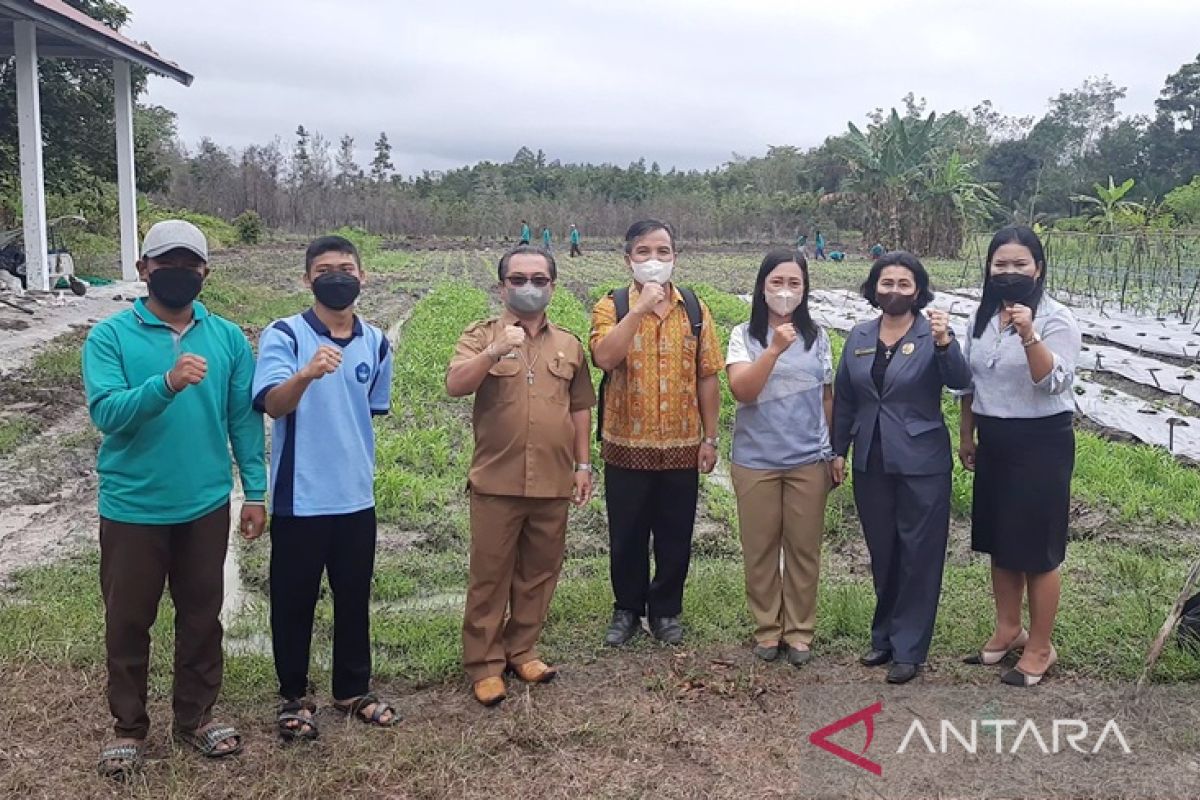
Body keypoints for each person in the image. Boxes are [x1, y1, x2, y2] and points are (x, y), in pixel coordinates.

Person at [83, 220, 266, 778]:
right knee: (128, 620)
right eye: (167, 264)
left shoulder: (229, 337)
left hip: (206, 503)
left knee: (201, 616)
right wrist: (166, 383)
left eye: (191, 266)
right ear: (143, 270)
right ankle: (128, 728)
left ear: (205, 273)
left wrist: (254, 491)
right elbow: (106, 414)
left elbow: (244, 419)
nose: (179, 274)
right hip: (133, 507)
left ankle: (195, 717)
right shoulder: (110, 337)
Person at [252, 235, 398, 740]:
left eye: (346, 267)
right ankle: (294, 696)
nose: (337, 275)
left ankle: (352, 688)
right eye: (324, 268)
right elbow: (272, 404)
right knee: (294, 600)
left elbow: (370, 410)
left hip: (356, 494)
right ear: (307, 278)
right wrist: (308, 373)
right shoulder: (285, 335)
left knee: (354, 595)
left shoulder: (377, 341)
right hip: (301, 496)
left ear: (363, 276)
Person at [447, 245, 596, 706]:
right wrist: (494, 350)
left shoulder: (569, 344)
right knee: (490, 575)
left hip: (553, 480)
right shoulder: (480, 335)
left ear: (552, 285)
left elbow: (580, 407)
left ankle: (522, 648)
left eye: (538, 279)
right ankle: (485, 664)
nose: (528, 287)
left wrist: (583, 464)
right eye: (518, 279)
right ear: (502, 286)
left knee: (539, 572)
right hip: (497, 480)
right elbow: (456, 385)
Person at [832, 251, 970, 684]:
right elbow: (845, 401)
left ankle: (910, 648)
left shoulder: (934, 335)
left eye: (903, 284)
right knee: (884, 551)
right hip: (871, 459)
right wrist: (838, 451)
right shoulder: (858, 336)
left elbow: (960, 380)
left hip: (921, 462)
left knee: (920, 554)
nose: (894, 290)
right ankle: (885, 637)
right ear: (874, 288)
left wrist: (946, 344)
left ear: (918, 290)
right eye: (886, 283)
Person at [590, 220, 723, 647]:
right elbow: (605, 358)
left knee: (675, 534)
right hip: (626, 447)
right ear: (628, 258)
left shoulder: (696, 310)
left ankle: (666, 610)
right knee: (626, 534)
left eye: (663, 252)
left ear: (675, 257)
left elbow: (707, 377)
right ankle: (626, 608)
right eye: (644, 252)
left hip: (683, 447)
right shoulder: (611, 306)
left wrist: (710, 436)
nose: (654, 261)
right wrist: (642, 309)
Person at [958, 225, 1080, 688]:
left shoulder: (1056, 319)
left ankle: (1041, 646)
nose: (1009, 273)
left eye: (1019, 265)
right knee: (1000, 541)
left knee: (1037, 550)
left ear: (1038, 269)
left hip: (1041, 442)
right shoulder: (980, 319)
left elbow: (1052, 382)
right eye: (1000, 265)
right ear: (989, 270)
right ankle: (1009, 627)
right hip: (996, 439)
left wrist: (1028, 333)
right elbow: (969, 383)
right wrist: (967, 435)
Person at [726, 248, 835, 667]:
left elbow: (827, 397)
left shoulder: (818, 337)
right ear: (762, 287)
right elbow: (743, 391)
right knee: (760, 548)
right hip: (756, 460)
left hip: (808, 459)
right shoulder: (743, 335)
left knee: (804, 549)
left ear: (805, 290)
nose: (786, 291)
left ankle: (800, 632)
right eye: (777, 283)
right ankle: (768, 630)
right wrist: (772, 350)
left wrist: (832, 451)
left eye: (794, 283)